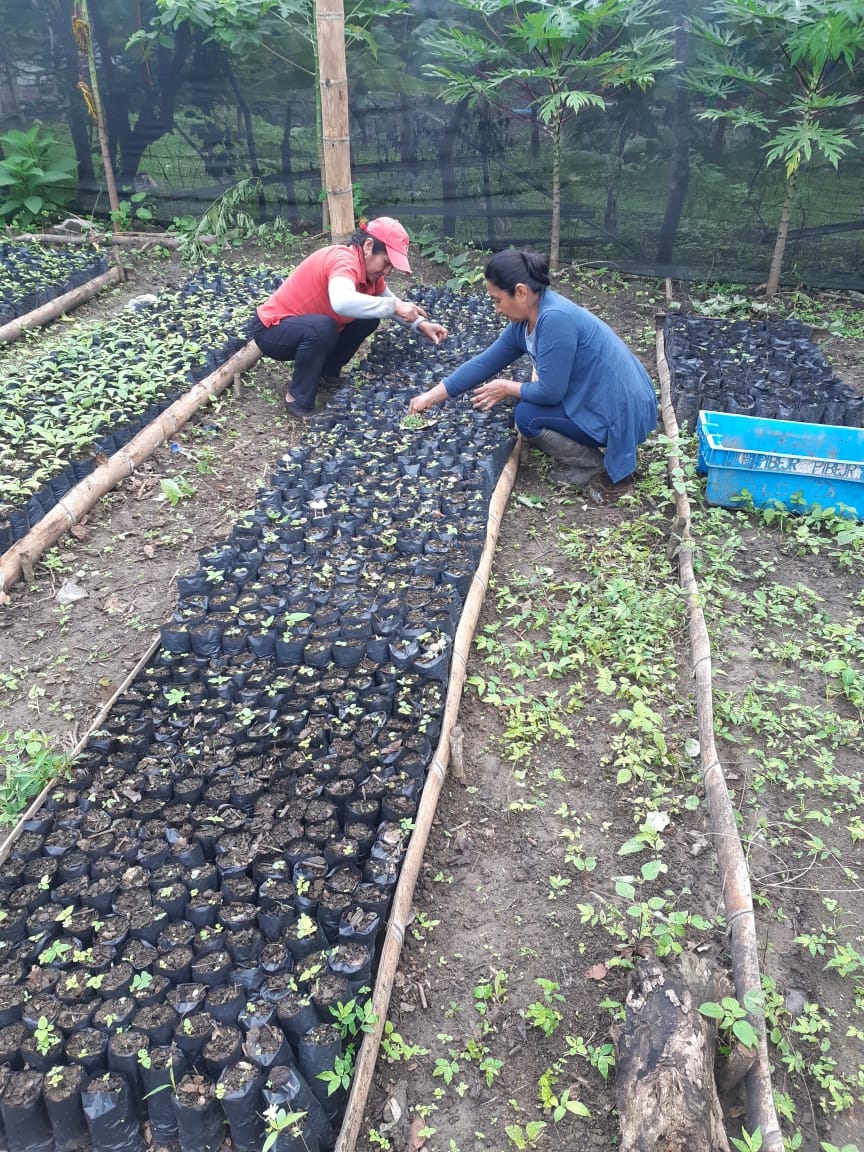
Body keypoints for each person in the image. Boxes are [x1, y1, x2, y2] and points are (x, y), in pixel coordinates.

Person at [408, 249, 657, 497]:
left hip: (621, 413)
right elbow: (483, 364)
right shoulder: (528, 319)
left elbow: (550, 393)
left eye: (497, 300)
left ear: (521, 292)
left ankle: (592, 465)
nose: (496, 309)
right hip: (607, 401)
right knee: (526, 403)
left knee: (527, 416)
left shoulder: (554, 320)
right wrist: (429, 397)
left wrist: (507, 387)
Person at [249, 217, 448, 418]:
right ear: (368, 246)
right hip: (272, 331)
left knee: (368, 318)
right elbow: (342, 302)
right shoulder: (344, 261)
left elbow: (388, 302)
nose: (387, 271)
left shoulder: (369, 273)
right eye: (386, 263)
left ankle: (326, 373)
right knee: (322, 328)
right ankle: (297, 399)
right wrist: (394, 306)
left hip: (304, 329)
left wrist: (421, 324)